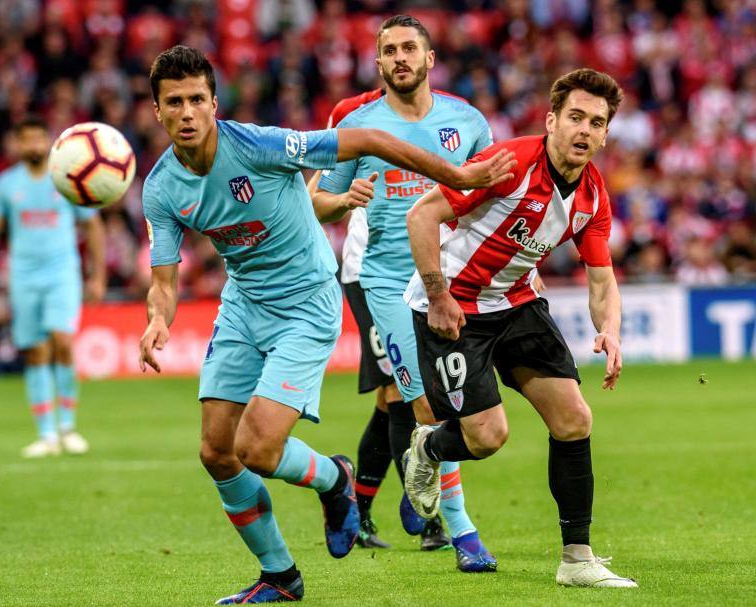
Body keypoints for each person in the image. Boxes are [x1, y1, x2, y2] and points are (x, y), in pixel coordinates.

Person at [137, 45, 515, 605]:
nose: (187, 112)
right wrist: (155, 321)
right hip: (242, 304)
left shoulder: (260, 145)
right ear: (158, 111)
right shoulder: (161, 187)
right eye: (175, 102)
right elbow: (165, 281)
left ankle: (337, 480)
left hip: (307, 302)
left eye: (197, 99)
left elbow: (364, 141)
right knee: (217, 453)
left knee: (259, 449)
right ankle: (280, 578)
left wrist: (456, 174)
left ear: (214, 103)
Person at [403, 68, 638, 588]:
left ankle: (577, 560)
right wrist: (439, 296)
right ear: (551, 120)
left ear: (604, 135)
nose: (584, 131)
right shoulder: (508, 164)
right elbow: (421, 216)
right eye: (575, 117)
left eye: (596, 123)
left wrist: (611, 330)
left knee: (575, 418)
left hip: (517, 302)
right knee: (487, 438)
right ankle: (429, 447)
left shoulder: (594, 196)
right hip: (453, 307)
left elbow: (602, 280)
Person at [313, 15, 502, 573]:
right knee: (420, 402)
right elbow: (314, 201)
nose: (400, 57)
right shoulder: (357, 124)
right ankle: (462, 532)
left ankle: (410, 479)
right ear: (377, 64)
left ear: (429, 58)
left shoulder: (466, 121)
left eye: (409, 48)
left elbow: (491, 195)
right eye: (389, 50)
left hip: (448, 285)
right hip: (386, 286)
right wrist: (346, 199)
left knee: (460, 414)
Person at [0, 116, 105, 458]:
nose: (33, 146)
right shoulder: (5, 184)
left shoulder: (67, 178)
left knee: (61, 340)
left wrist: (98, 275)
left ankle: (68, 426)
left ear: (49, 141)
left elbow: (93, 227)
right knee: (35, 350)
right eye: (26, 140)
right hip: (24, 276)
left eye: (38, 139)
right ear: (17, 144)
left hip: (62, 272)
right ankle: (46, 434)